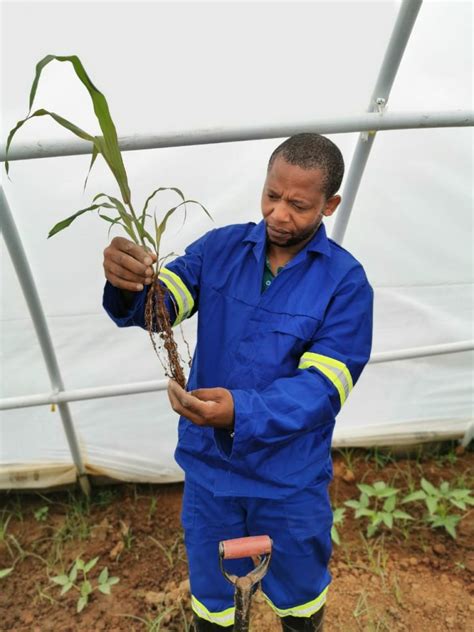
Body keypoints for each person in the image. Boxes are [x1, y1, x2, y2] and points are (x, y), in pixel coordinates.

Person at [102, 133, 373, 631]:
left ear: (329, 205)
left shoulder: (345, 283)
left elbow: (323, 387)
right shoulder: (221, 249)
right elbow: (161, 307)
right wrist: (129, 282)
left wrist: (239, 412)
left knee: (300, 595)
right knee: (213, 598)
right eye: (272, 196)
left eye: (298, 205)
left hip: (289, 478)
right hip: (212, 470)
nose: (279, 214)